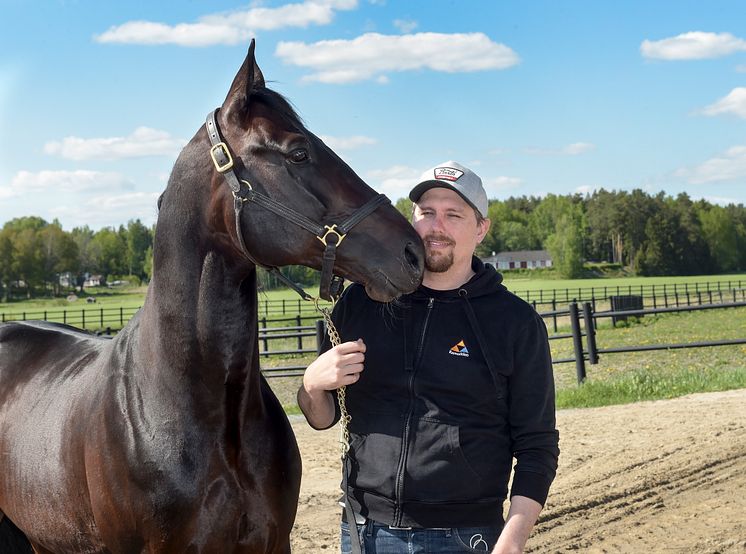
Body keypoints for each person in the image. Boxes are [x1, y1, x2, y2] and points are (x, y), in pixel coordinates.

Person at [298, 161, 559, 554]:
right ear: (412, 219)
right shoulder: (362, 301)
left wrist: (511, 541)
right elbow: (323, 417)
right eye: (427, 212)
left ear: (481, 229)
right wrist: (311, 386)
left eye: (454, 214)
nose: (437, 226)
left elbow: (538, 447)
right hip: (364, 530)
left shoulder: (514, 323)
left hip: (464, 537)